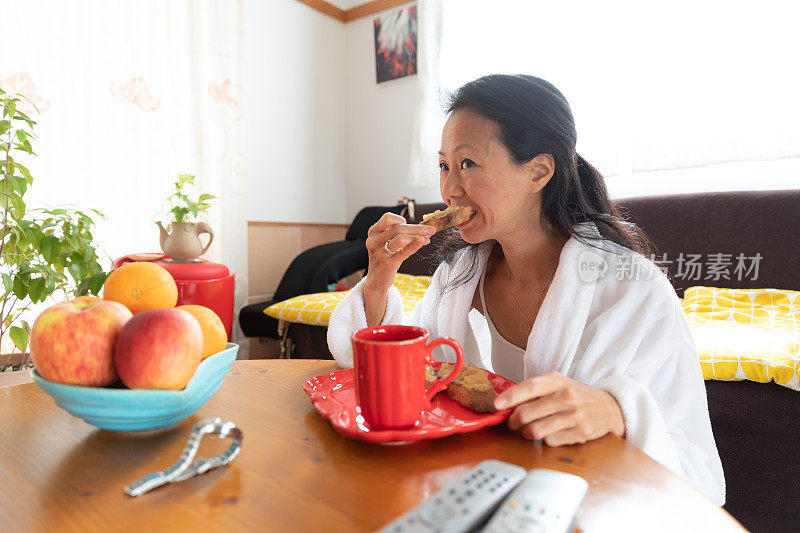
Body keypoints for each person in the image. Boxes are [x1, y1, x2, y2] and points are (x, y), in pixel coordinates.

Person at [327, 74, 725, 505]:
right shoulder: (457, 276)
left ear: (538, 171)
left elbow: (699, 470)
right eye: (444, 165)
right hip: (466, 495)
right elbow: (402, 373)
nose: (448, 189)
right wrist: (379, 282)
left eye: (468, 164)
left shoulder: (633, 291)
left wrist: (618, 412)